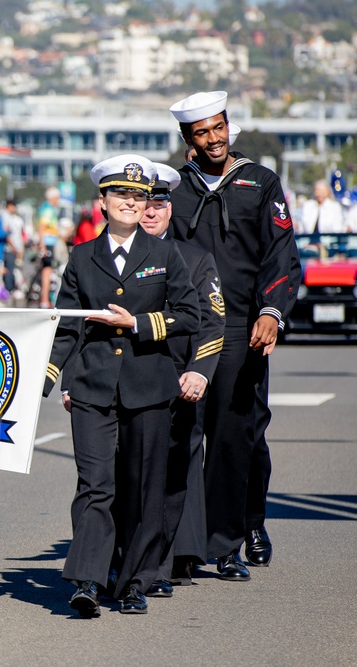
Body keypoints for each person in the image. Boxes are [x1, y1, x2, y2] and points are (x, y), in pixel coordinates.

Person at [44, 155, 200, 617]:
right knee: (96, 485)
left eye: (139, 197)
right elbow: (67, 327)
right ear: (103, 202)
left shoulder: (164, 254)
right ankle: (89, 580)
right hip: (93, 389)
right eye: (122, 196)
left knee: (141, 487)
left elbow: (189, 315)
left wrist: (139, 323)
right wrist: (47, 379)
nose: (133, 204)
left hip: (149, 388)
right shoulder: (81, 257)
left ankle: (134, 580)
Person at [168, 90, 300, 581]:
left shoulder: (261, 182)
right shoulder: (172, 192)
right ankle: (183, 544)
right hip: (188, 330)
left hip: (245, 328)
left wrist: (272, 311)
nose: (214, 138)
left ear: (229, 126)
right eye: (202, 132)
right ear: (188, 140)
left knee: (237, 435)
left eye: (219, 127)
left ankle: (231, 539)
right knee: (183, 434)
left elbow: (281, 254)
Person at [139, 163, 225, 595]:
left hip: (180, 379)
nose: (151, 212)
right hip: (130, 381)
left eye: (159, 203)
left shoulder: (195, 259)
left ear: (171, 208)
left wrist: (200, 371)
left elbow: (213, 324)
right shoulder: (108, 259)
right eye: (143, 204)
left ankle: (178, 555)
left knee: (179, 468)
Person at [36, 187, 61, 307]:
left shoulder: (48, 208)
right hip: (48, 242)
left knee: (48, 270)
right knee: (47, 270)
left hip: (49, 242)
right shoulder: (48, 210)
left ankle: (45, 298)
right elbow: (42, 226)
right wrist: (42, 245)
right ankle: (44, 299)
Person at [1, 199, 25, 298]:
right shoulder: (4, 217)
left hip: (16, 248)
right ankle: (8, 290)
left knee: (14, 270)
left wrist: (21, 248)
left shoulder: (16, 219)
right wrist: (14, 247)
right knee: (9, 270)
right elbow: (6, 234)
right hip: (9, 249)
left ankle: (12, 289)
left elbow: (21, 235)